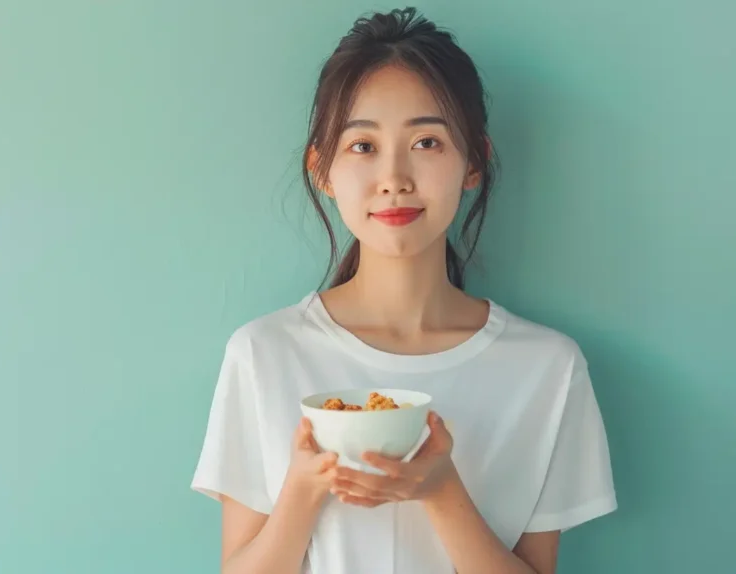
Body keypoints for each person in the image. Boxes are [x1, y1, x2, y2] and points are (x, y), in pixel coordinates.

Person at [190, 7, 617, 574]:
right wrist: (302, 489)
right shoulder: (264, 354)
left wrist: (441, 492)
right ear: (322, 169)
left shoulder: (548, 369)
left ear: (474, 163)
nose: (394, 177)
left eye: (427, 142)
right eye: (362, 146)